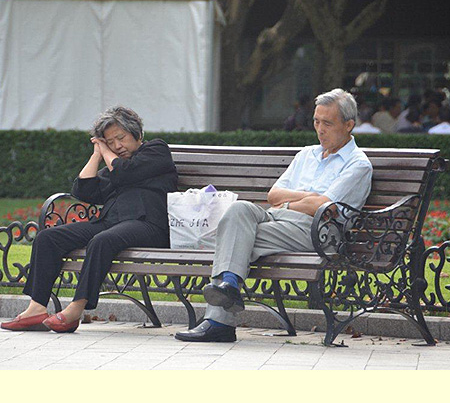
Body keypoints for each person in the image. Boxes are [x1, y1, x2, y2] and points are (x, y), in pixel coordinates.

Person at [175, 88, 373, 343]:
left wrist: (290, 204)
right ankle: (230, 286)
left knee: (234, 238)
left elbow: (323, 205)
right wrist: (304, 197)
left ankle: (219, 319)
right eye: (316, 121)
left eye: (327, 123)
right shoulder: (306, 154)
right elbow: (273, 195)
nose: (320, 129)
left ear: (348, 125)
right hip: (279, 221)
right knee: (239, 210)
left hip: (319, 231)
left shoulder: (357, 164)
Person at [1, 106, 178, 333]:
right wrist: (97, 154)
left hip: (149, 224)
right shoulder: (115, 165)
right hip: (111, 223)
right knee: (48, 237)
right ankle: (36, 309)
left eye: (120, 138)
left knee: (102, 240)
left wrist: (106, 152)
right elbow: (83, 191)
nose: (116, 146)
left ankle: (75, 309)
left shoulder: (157, 150)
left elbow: (126, 172)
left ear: (138, 134)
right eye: (109, 142)